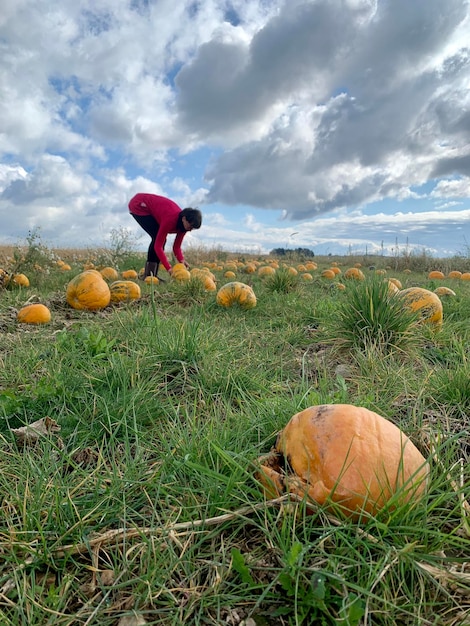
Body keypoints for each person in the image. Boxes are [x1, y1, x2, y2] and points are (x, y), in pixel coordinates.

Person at [128, 193, 202, 280]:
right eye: (190, 226)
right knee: (156, 237)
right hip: (139, 205)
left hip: (151, 209)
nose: (190, 230)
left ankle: (152, 276)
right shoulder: (170, 220)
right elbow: (158, 246)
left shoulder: (184, 227)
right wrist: (169, 268)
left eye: (193, 228)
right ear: (184, 218)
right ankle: (148, 276)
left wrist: (182, 260)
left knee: (159, 238)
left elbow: (176, 247)